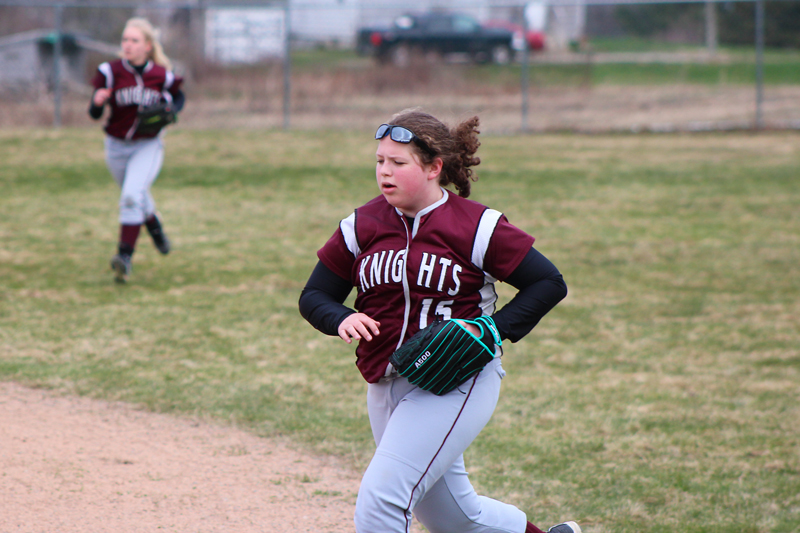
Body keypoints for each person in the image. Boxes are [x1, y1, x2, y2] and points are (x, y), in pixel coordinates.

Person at [299, 109, 578, 533]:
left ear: (433, 168)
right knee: (455, 519)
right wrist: (339, 318)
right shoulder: (363, 225)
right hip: (385, 378)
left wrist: (493, 330)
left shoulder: (477, 227)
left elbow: (548, 282)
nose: (384, 172)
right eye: (379, 161)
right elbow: (314, 295)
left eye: (398, 163)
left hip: (455, 378)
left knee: (382, 500)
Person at [88, 17, 185, 283]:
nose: (128, 45)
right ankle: (154, 224)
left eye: (134, 40)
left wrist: (172, 111)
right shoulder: (110, 71)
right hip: (116, 146)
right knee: (135, 195)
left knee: (131, 195)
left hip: (148, 145)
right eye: (125, 40)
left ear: (148, 45)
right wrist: (97, 102)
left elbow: (179, 96)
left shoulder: (161, 75)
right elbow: (94, 113)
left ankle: (124, 257)